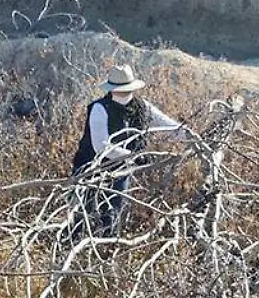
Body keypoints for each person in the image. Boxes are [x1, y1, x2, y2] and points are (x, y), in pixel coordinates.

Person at [68, 63, 185, 237]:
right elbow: (101, 146)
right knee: (81, 213)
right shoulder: (100, 108)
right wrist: (135, 156)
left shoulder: (142, 107)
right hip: (90, 168)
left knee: (113, 214)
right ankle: (72, 244)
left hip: (121, 170)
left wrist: (193, 137)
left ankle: (107, 249)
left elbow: (169, 126)